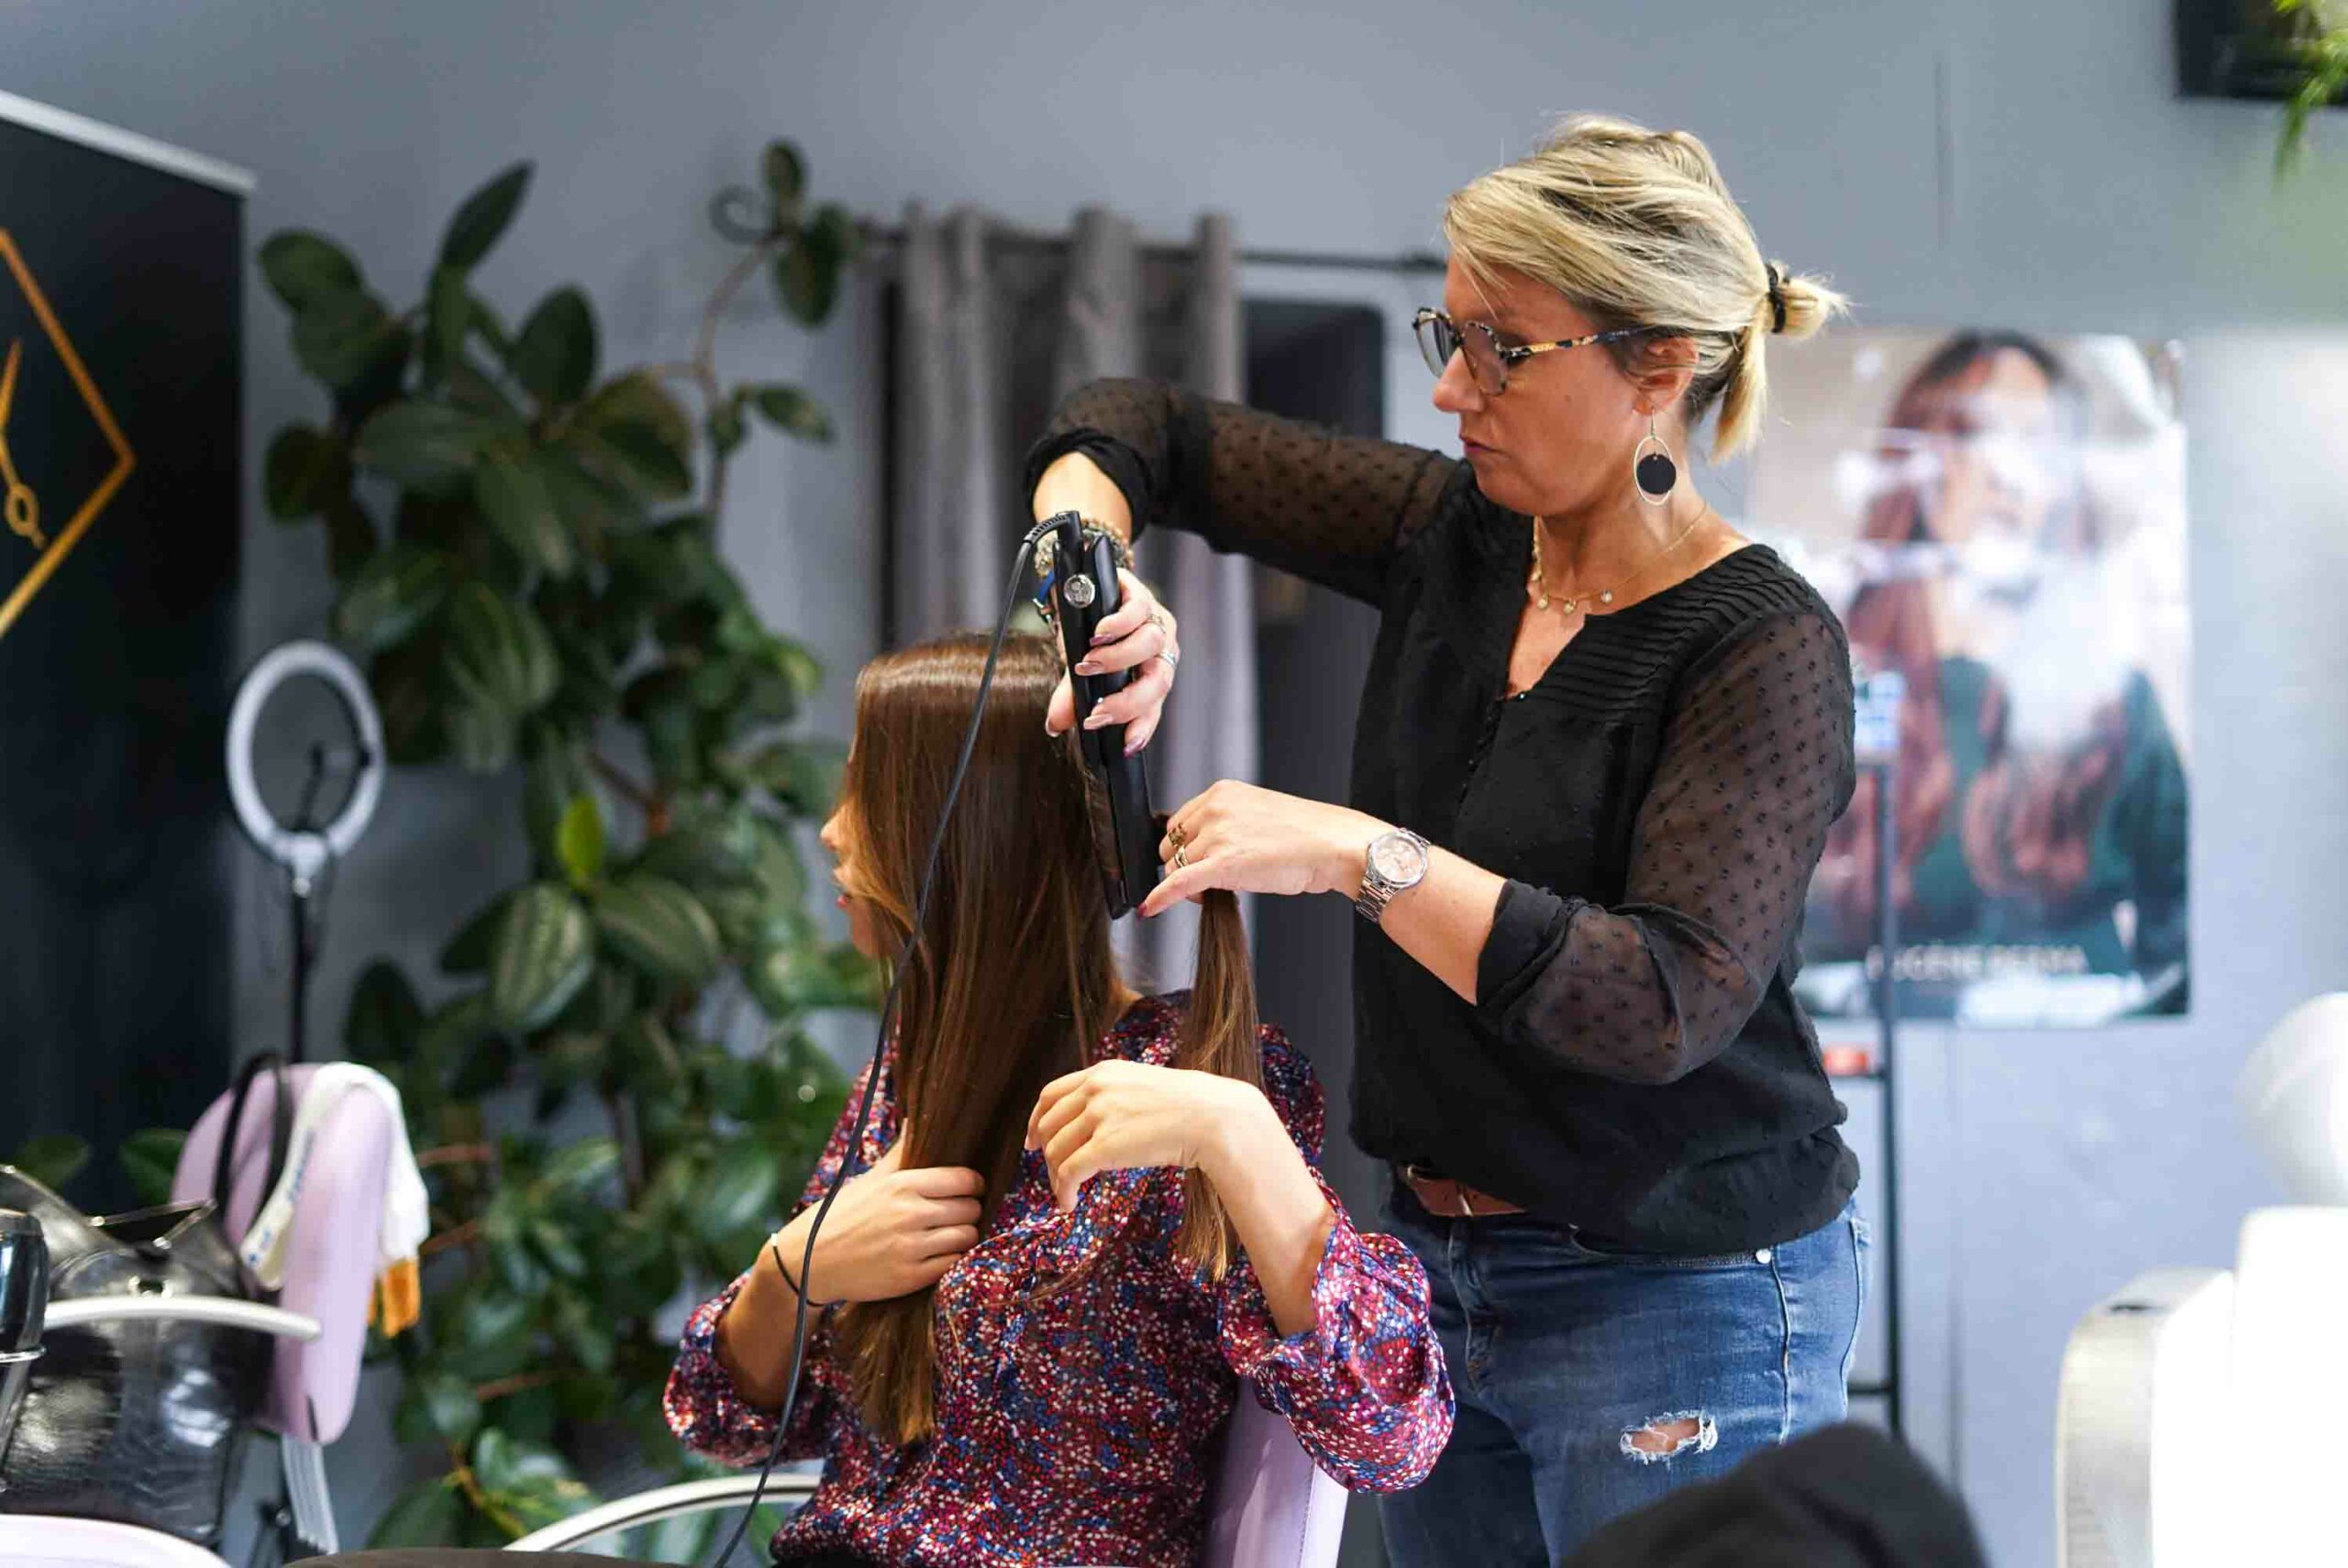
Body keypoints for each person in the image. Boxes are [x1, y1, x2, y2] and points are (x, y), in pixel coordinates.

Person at [1023, 115, 1866, 1561]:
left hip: (1682, 1292)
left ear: (1656, 367)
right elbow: (1138, 427)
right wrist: (1090, 577)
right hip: (1430, 1263)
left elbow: (1657, 1002)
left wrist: (1359, 850)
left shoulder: (1761, 647)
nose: (1448, 385)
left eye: (1502, 349)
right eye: (1449, 330)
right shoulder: (1456, 537)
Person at [305, 635, 1449, 1568]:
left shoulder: (1196, 1082)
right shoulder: (911, 1077)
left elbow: (1394, 1433)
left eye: (865, 797)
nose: (832, 834)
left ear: (967, 846)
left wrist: (1239, 1135)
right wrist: (791, 1272)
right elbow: (729, 1418)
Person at [1807, 331, 2188, 1017]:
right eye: (1978, 436)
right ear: (1919, 464)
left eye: (2039, 448)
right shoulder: (1819, 685)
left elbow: (2183, 958)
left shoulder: (2119, 707)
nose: (2009, 474)